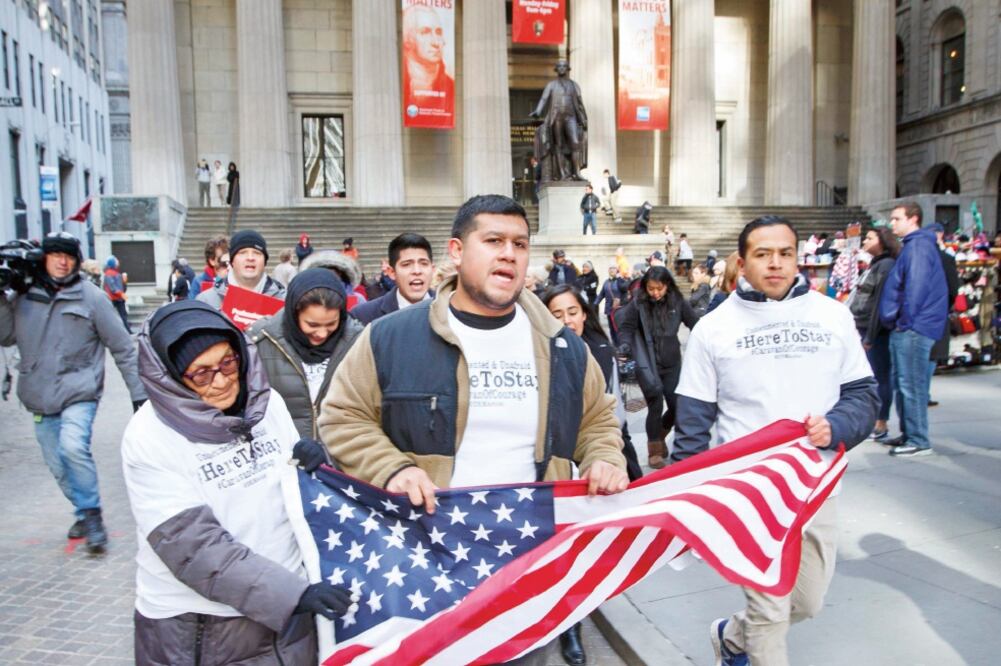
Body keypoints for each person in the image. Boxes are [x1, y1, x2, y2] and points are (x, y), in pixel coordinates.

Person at [317, 195, 628, 665]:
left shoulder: (562, 345)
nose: (509, 253)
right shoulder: (389, 337)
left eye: (520, 244)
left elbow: (598, 419)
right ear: (457, 252)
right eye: (494, 241)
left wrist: (604, 456)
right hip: (426, 558)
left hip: (529, 560)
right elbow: (341, 416)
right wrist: (392, 469)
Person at [671, 216, 879, 666]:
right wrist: (683, 494)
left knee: (805, 603)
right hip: (751, 493)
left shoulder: (832, 315)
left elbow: (864, 395)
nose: (776, 263)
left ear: (797, 257)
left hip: (816, 486)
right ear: (742, 263)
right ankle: (750, 643)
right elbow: (693, 418)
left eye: (785, 253)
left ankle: (731, 636)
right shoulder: (714, 327)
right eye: (763, 254)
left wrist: (837, 426)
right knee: (769, 612)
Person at [124, 300, 351, 665]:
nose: (221, 381)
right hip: (204, 622)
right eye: (201, 374)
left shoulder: (267, 403)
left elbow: (291, 491)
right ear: (170, 376)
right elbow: (194, 548)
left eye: (228, 363)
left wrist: (315, 465)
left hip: (287, 603)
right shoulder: (149, 435)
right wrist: (290, 595)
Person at [0, 232, 148, 552]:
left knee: (72, 447)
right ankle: (82, 509)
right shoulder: (24, 296)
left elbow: (123, 348)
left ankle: (93, 516)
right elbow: (6, 336)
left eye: (68, 256)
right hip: (39, 395)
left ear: (77, 261)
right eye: (55, 255)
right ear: (44, 258)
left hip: (80, 390)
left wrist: (139, 396)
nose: (62, 261)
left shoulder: (92, 298)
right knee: (57, 464)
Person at [541, 283, 643, 666]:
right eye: (556, 314)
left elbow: (612, 417)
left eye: (572, 312)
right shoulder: (539, 352)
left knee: (585, 553)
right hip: (554, 470)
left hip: (597, 465)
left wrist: (610, 460)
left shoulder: (601, 352)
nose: (567, 321)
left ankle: (574, 619)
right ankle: (562, 624)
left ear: (585, 314)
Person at [249, 269, 364, 439]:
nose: (322, 334)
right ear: (294, 314)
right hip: (286, 453)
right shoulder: (262, 340)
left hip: (343, 452)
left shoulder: (358, 342)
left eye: (331, 324)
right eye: (312, 325)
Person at [878, 203, 949, 457]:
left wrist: (904, 322)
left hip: (914, 327)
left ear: (913, 218)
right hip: (912, 325)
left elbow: (915, 288)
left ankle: (918, 438)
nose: (892, 224)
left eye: (897, 219)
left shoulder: (917, 246)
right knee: (904, 382)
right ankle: (911, 434)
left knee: (911, 384)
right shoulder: (916, 245)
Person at [615, 265, 699, 469]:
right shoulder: (639, 303)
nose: (655, 293)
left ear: (667, 286)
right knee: (655, 403)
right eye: (651, 288)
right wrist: (624, 344)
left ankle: (660, 437)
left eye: (659, 289)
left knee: (677, 404)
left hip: (672, 363)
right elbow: (626, 328)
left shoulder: (677, 301)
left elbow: (695, 323)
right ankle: (654, 451)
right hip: (647, 363)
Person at [847, 226, 900, 440]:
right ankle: (875, 421)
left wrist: (870, 335)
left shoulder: (885, 266)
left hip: (876, 332)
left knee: (879, 376)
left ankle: (880, 423)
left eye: (869, 238)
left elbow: (879, 303)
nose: (864, 241)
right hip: (864, 327)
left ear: (882, 240)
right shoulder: (876, 264)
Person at [351, 233, 435, 325]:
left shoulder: (449, 307)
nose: (417, 271)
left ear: (432, 269)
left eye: (423, 263)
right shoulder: (363, 316)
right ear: (392, 272)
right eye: (406, 264)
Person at [530, 59, 588, 182]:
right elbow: (544, 99)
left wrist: (583, 117)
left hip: (571, 116)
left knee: (575, 143)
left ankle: (576, 173)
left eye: (564, 66)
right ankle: (562, 174)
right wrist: (538, 111)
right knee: (558, 145)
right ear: (556, 69)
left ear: (567, 69)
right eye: (559, 66)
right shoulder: (551, 85)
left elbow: (580, 102)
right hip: (556, 117)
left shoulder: (574, 85)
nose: (562, 68)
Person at [198, 230, 286, 310]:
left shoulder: (286, 301)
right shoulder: (206, 301)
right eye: (242, 253)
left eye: (257, 253)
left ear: (264, 261)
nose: (250, 258)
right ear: (232, 261)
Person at [402, 4, 454, 120]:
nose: (436, 42)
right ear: (407, 40)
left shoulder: (450, 86)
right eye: (425, 32)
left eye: (439, 32)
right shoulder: (399, 82)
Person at [928, 223, 959, 408]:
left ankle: (923, 393)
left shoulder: (940, 258)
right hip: (937, 314)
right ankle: (924, 393)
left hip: (926, 316)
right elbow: (953, 289)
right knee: (930, 357)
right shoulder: (945, 258)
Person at [300, 249, 368, 310]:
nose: (327, 275)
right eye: (323, 270)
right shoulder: (306, 297)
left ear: (340, 273)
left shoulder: (358, 299)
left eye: (331, 270)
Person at [595, 265, 628, 344]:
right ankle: (615, 344)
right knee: (612, 328)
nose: (611, 270)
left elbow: (625, 292)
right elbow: (601, 294)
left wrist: (622, 302)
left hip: (618, 309)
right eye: (610, 269)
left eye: (613, 269)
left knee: (618, 327)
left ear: (617, 270)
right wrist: (595, 303)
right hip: (609, 309)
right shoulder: (606, 282)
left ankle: (621, 344)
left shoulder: (620, 281)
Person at [102, 254, 131, 332]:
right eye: (116, 261)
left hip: (118, 298)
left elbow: (121, 287)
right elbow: (113, 287)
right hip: (113, 298)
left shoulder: (116, 273)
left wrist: (124, 282)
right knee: (119, 315)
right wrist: (121, 294)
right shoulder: (109, 273)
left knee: (123, 315)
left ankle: (127, 330)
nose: (118, 263)